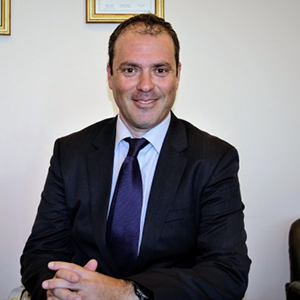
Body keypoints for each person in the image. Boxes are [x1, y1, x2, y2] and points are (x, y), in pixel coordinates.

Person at [21, 13, 251, 300]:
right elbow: (40, 254)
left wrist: (126, 292)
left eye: (160, 70)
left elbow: (227, 273)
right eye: (130, 70)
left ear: (177, 75)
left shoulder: (214, 159)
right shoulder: (70, 152)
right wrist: (60, 290)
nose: (145, 85)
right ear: (110, 74)